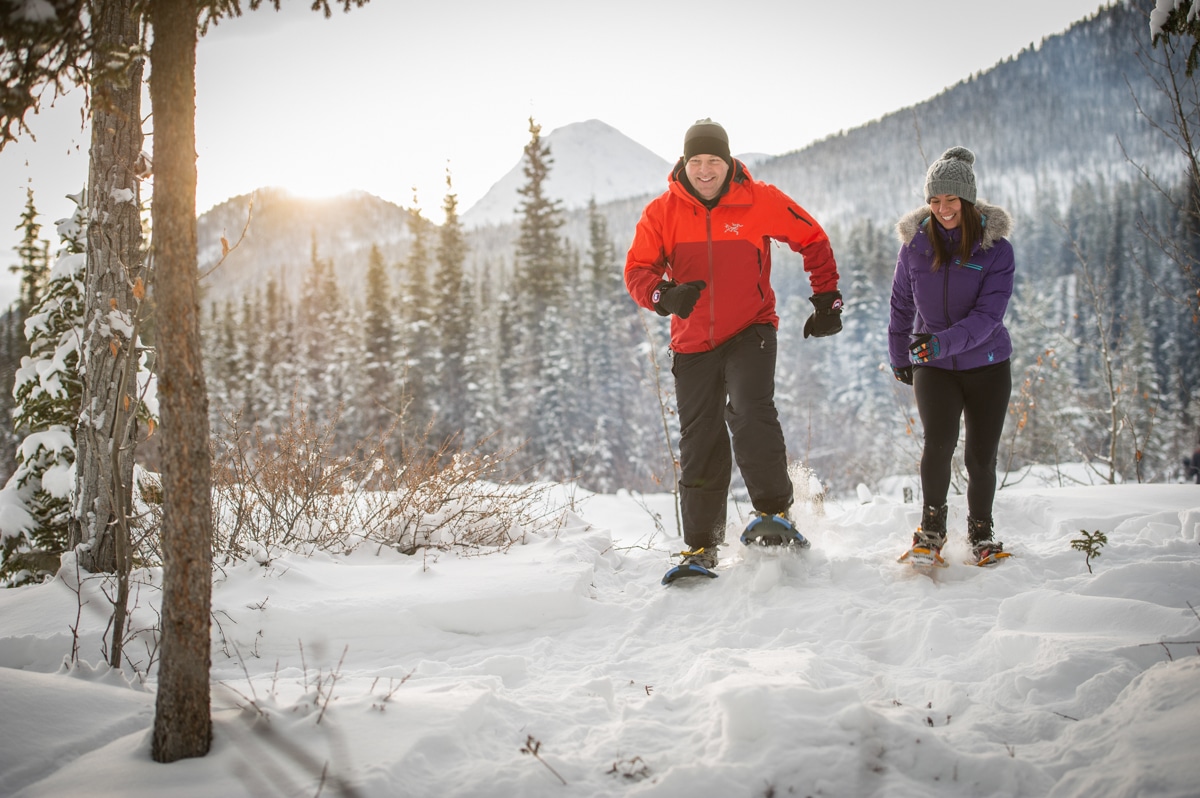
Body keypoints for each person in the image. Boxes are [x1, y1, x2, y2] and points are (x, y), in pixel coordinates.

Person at [625, 118, 843, 578]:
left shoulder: (758, 198)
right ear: (685, 163)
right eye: (697, 161)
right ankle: (702, 545)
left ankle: (773, 514)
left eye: (715, 161)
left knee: (748, 408)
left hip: (751, 329)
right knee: (699, 435)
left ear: (728, 163)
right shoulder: (662, 212)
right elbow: (638, 271)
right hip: (692, 342)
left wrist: (826, 298)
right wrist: (664, 296)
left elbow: (812, 237)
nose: (706, 170)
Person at [889, 146, 1015, 567]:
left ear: (968, 200)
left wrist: (940, 343)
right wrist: (899, 354)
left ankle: (982, 534)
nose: (943, 209)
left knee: (980, 456)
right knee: (937, 446)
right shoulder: (915, 247)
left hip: (988, 366)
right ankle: (931, 531)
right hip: (935, 366)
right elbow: (901, 305)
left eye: (951, 200)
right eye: (935, 200)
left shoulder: (996, 250)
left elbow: (988, 318)